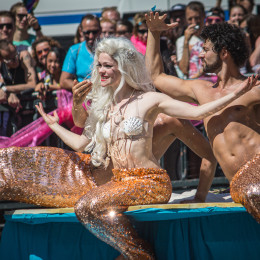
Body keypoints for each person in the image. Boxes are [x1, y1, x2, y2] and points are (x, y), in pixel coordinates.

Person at [34, 37, 256, 259]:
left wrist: (235, 95)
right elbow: (82, 144)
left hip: (150, 181)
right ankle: (136, 252)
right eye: (99, 65)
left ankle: (140, 254)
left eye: (107, 66)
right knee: (85, 206)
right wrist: (54, 126)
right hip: (121, 182)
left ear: (123, 68)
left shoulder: (149, 100)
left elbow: (197, 112)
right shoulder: (105, 108)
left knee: (87, 206)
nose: (101, 70)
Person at [145, 12, 260, 222]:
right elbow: (156, 77)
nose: (200, 55)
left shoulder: (253, 89)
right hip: (242, 187)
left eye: (205, 50)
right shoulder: (201, 90)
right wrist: (154, 33)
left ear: (223, 52)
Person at [0, 39, 37, 136]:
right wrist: (9, 93)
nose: (16, 60)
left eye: (15, 55)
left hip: (29, 109)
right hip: (11, 113)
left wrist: (6, 89)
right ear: (2, 60)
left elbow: (32, 84)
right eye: (10, 59)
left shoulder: (24, 56)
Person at [59, 14, 101, 90]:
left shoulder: (108, 48)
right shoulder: (74, 50)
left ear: (100, 30)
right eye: (87, 32)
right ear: (81, 31)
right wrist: (85, 88)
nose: (91, 36)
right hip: (86, 98)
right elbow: (64, 81)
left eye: (95, 32)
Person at [176, 1, 205, 78]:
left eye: (197, 18)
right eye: (190, 19)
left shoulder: (212, 37)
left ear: (203, 16)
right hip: (192, 84)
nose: (194, 22)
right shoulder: (181, 41)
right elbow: (184, 70)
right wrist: (186, 41)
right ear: (186, 19)